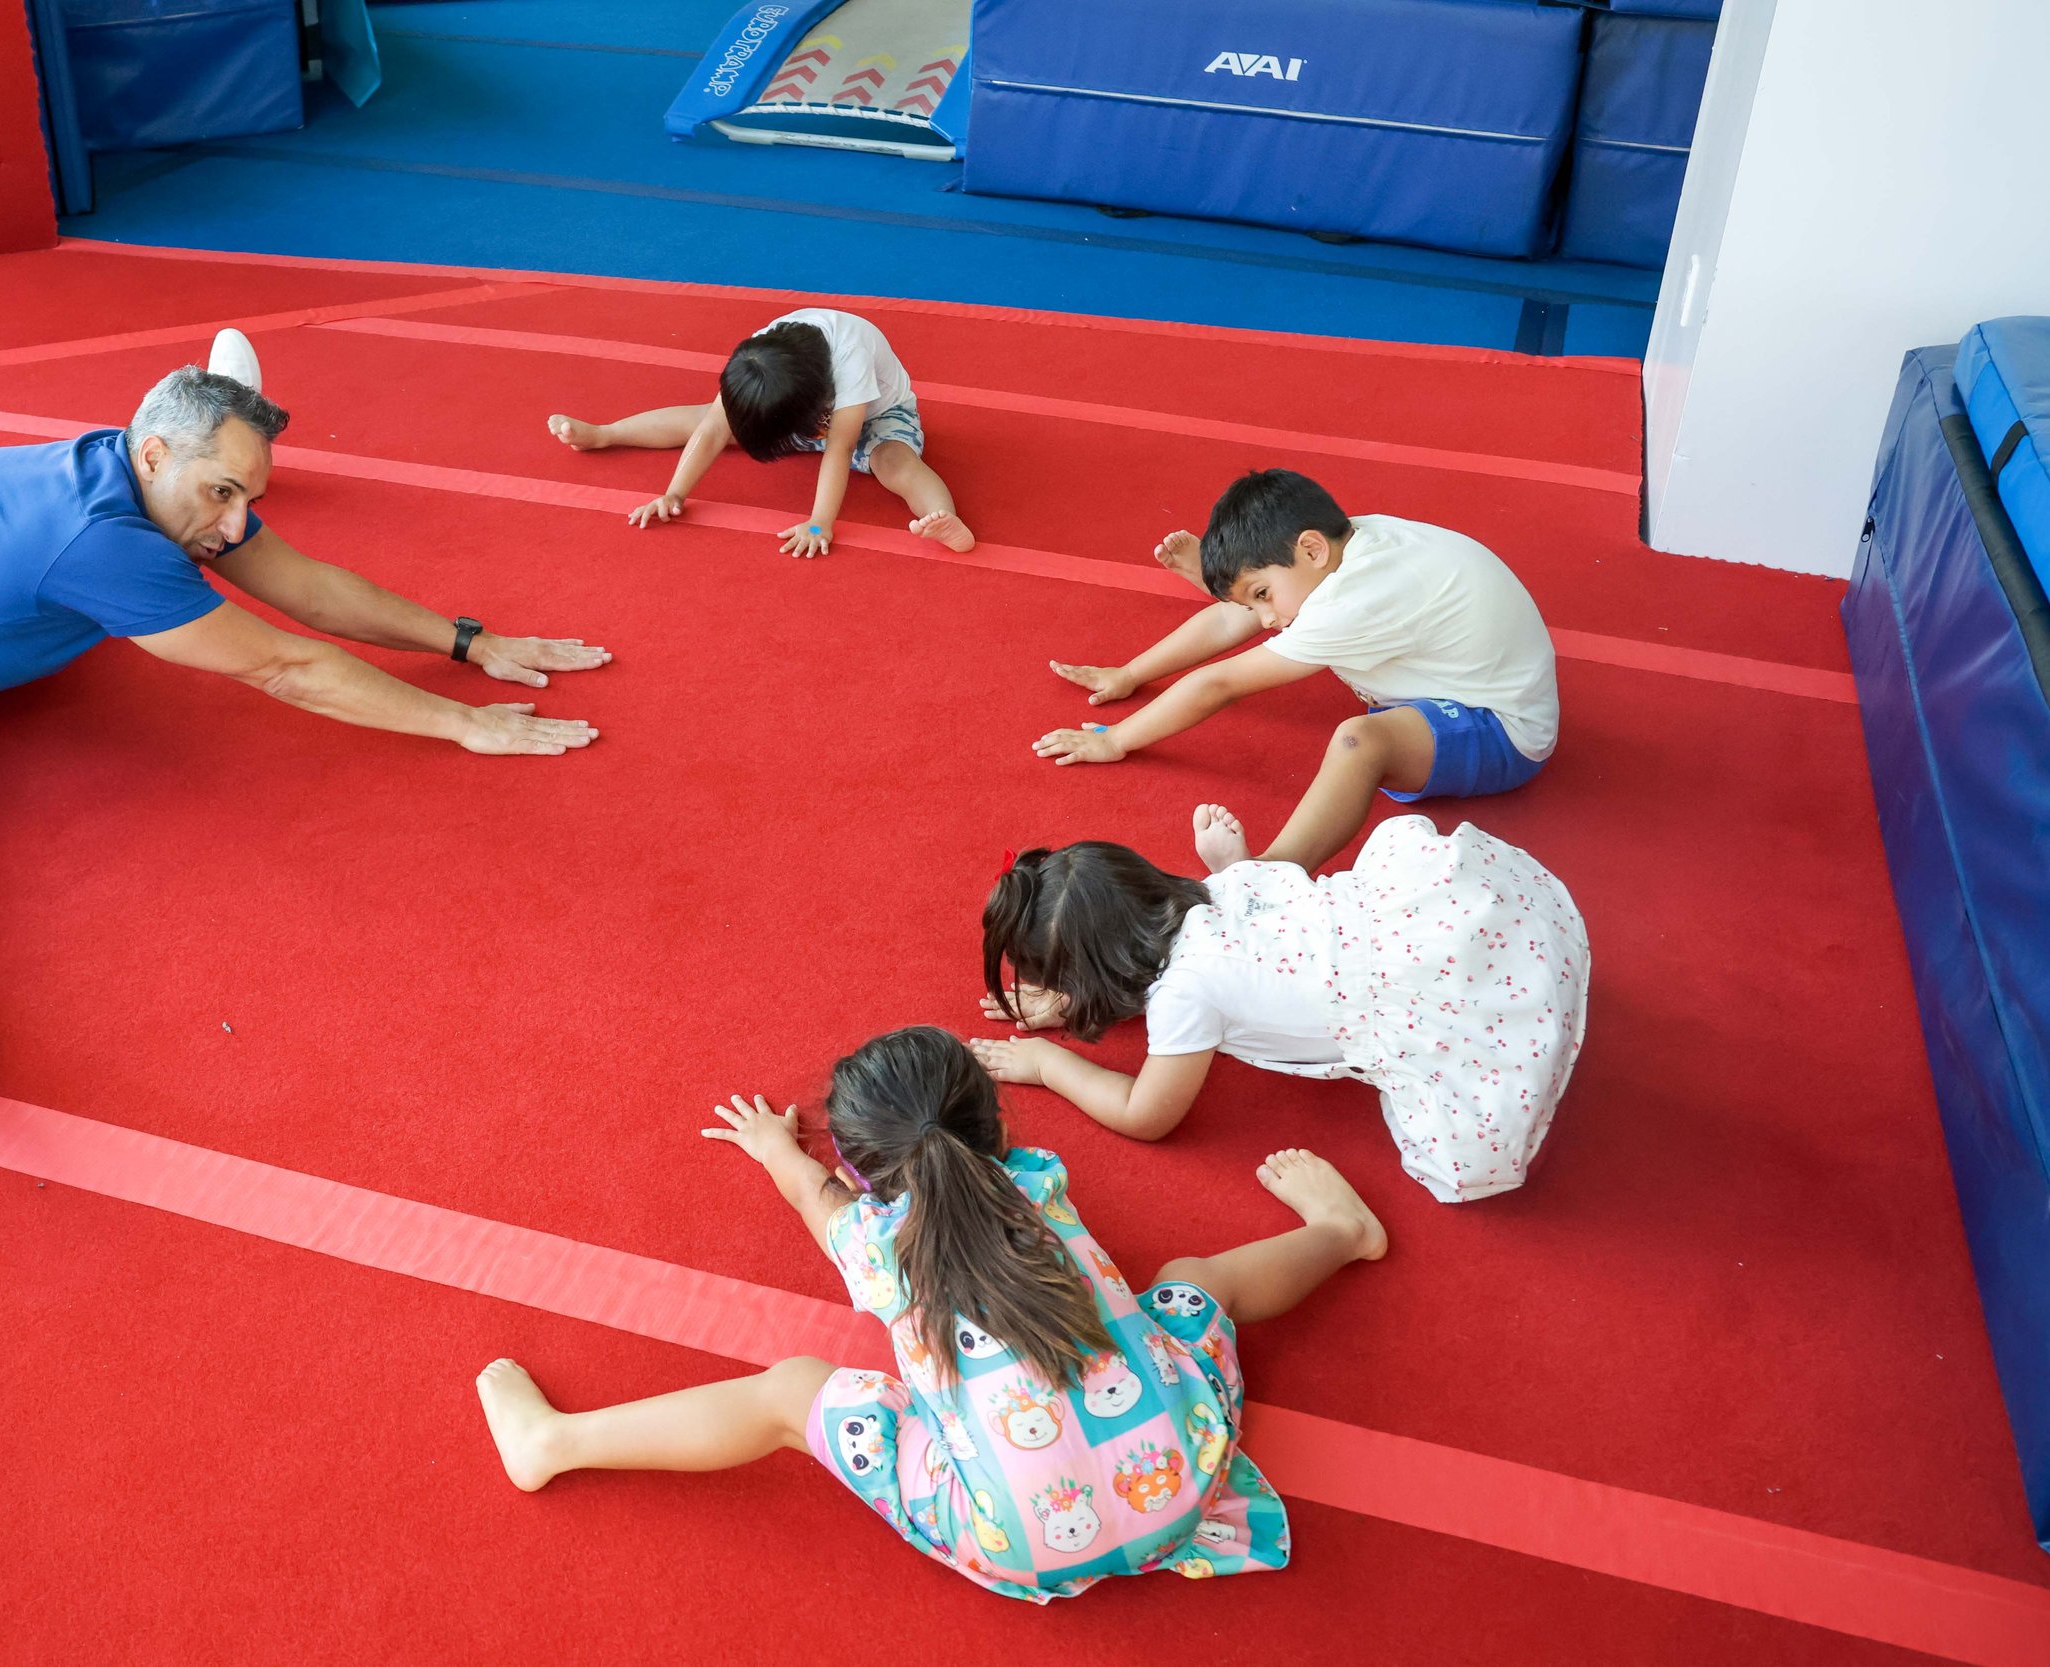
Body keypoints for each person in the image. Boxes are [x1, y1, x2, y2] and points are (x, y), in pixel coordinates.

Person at [0, 341, 608, 1096]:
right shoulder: (102, 539)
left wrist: (467, 641)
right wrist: (462, 725)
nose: (235, 528)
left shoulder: (135, 478)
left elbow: (306, 586)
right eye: (223, 490)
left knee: (169, 583)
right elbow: (284, 665)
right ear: (150, 454)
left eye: (247, 497)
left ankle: (220, 399)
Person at [473, 1026, 1384, 1601]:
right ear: (996, 1130)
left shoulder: (874, 1246)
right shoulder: (1040, 1186)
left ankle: (555, 1443)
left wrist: (771, 1148)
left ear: (863, 1174)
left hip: (1020, 1542)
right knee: (1192, 1279)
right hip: (1185, 1477)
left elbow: (816, 1202)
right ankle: (1343, 1233)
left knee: (792, 1393)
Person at [970, 805, 1588, 1203]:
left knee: (1459, 1155)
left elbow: (1146, 1114)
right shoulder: (1224, 889)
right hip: (1468, 929)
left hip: (1462, 1009)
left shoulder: (1185, 995)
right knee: (1265, 894)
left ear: (1097, 975)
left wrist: (1048, 1066)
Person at [1035, 469, 1558, 873]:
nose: (1263, 618)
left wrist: (1116, 740)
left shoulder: (1352, 600)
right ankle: (1230, 580)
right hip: (1461, 678)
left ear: (1311, 548)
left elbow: (1219, 684)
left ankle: (1270, 873)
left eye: (1261, 595)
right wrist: (1128, 674)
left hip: (1503, 733)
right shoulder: (1348, 543)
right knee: (1278, 616)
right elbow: (1230, 621)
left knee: (1360, 740)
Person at [546, 307, 976, 557]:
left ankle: (944, 517)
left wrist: (817, 523)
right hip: (800, 406)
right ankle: (605, 433)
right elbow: (714, 428)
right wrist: (674, 493)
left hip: (874, 415)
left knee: (893, 460)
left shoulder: (850, 357)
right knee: (702, 416)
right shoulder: (759, 358)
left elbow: (839, 445)